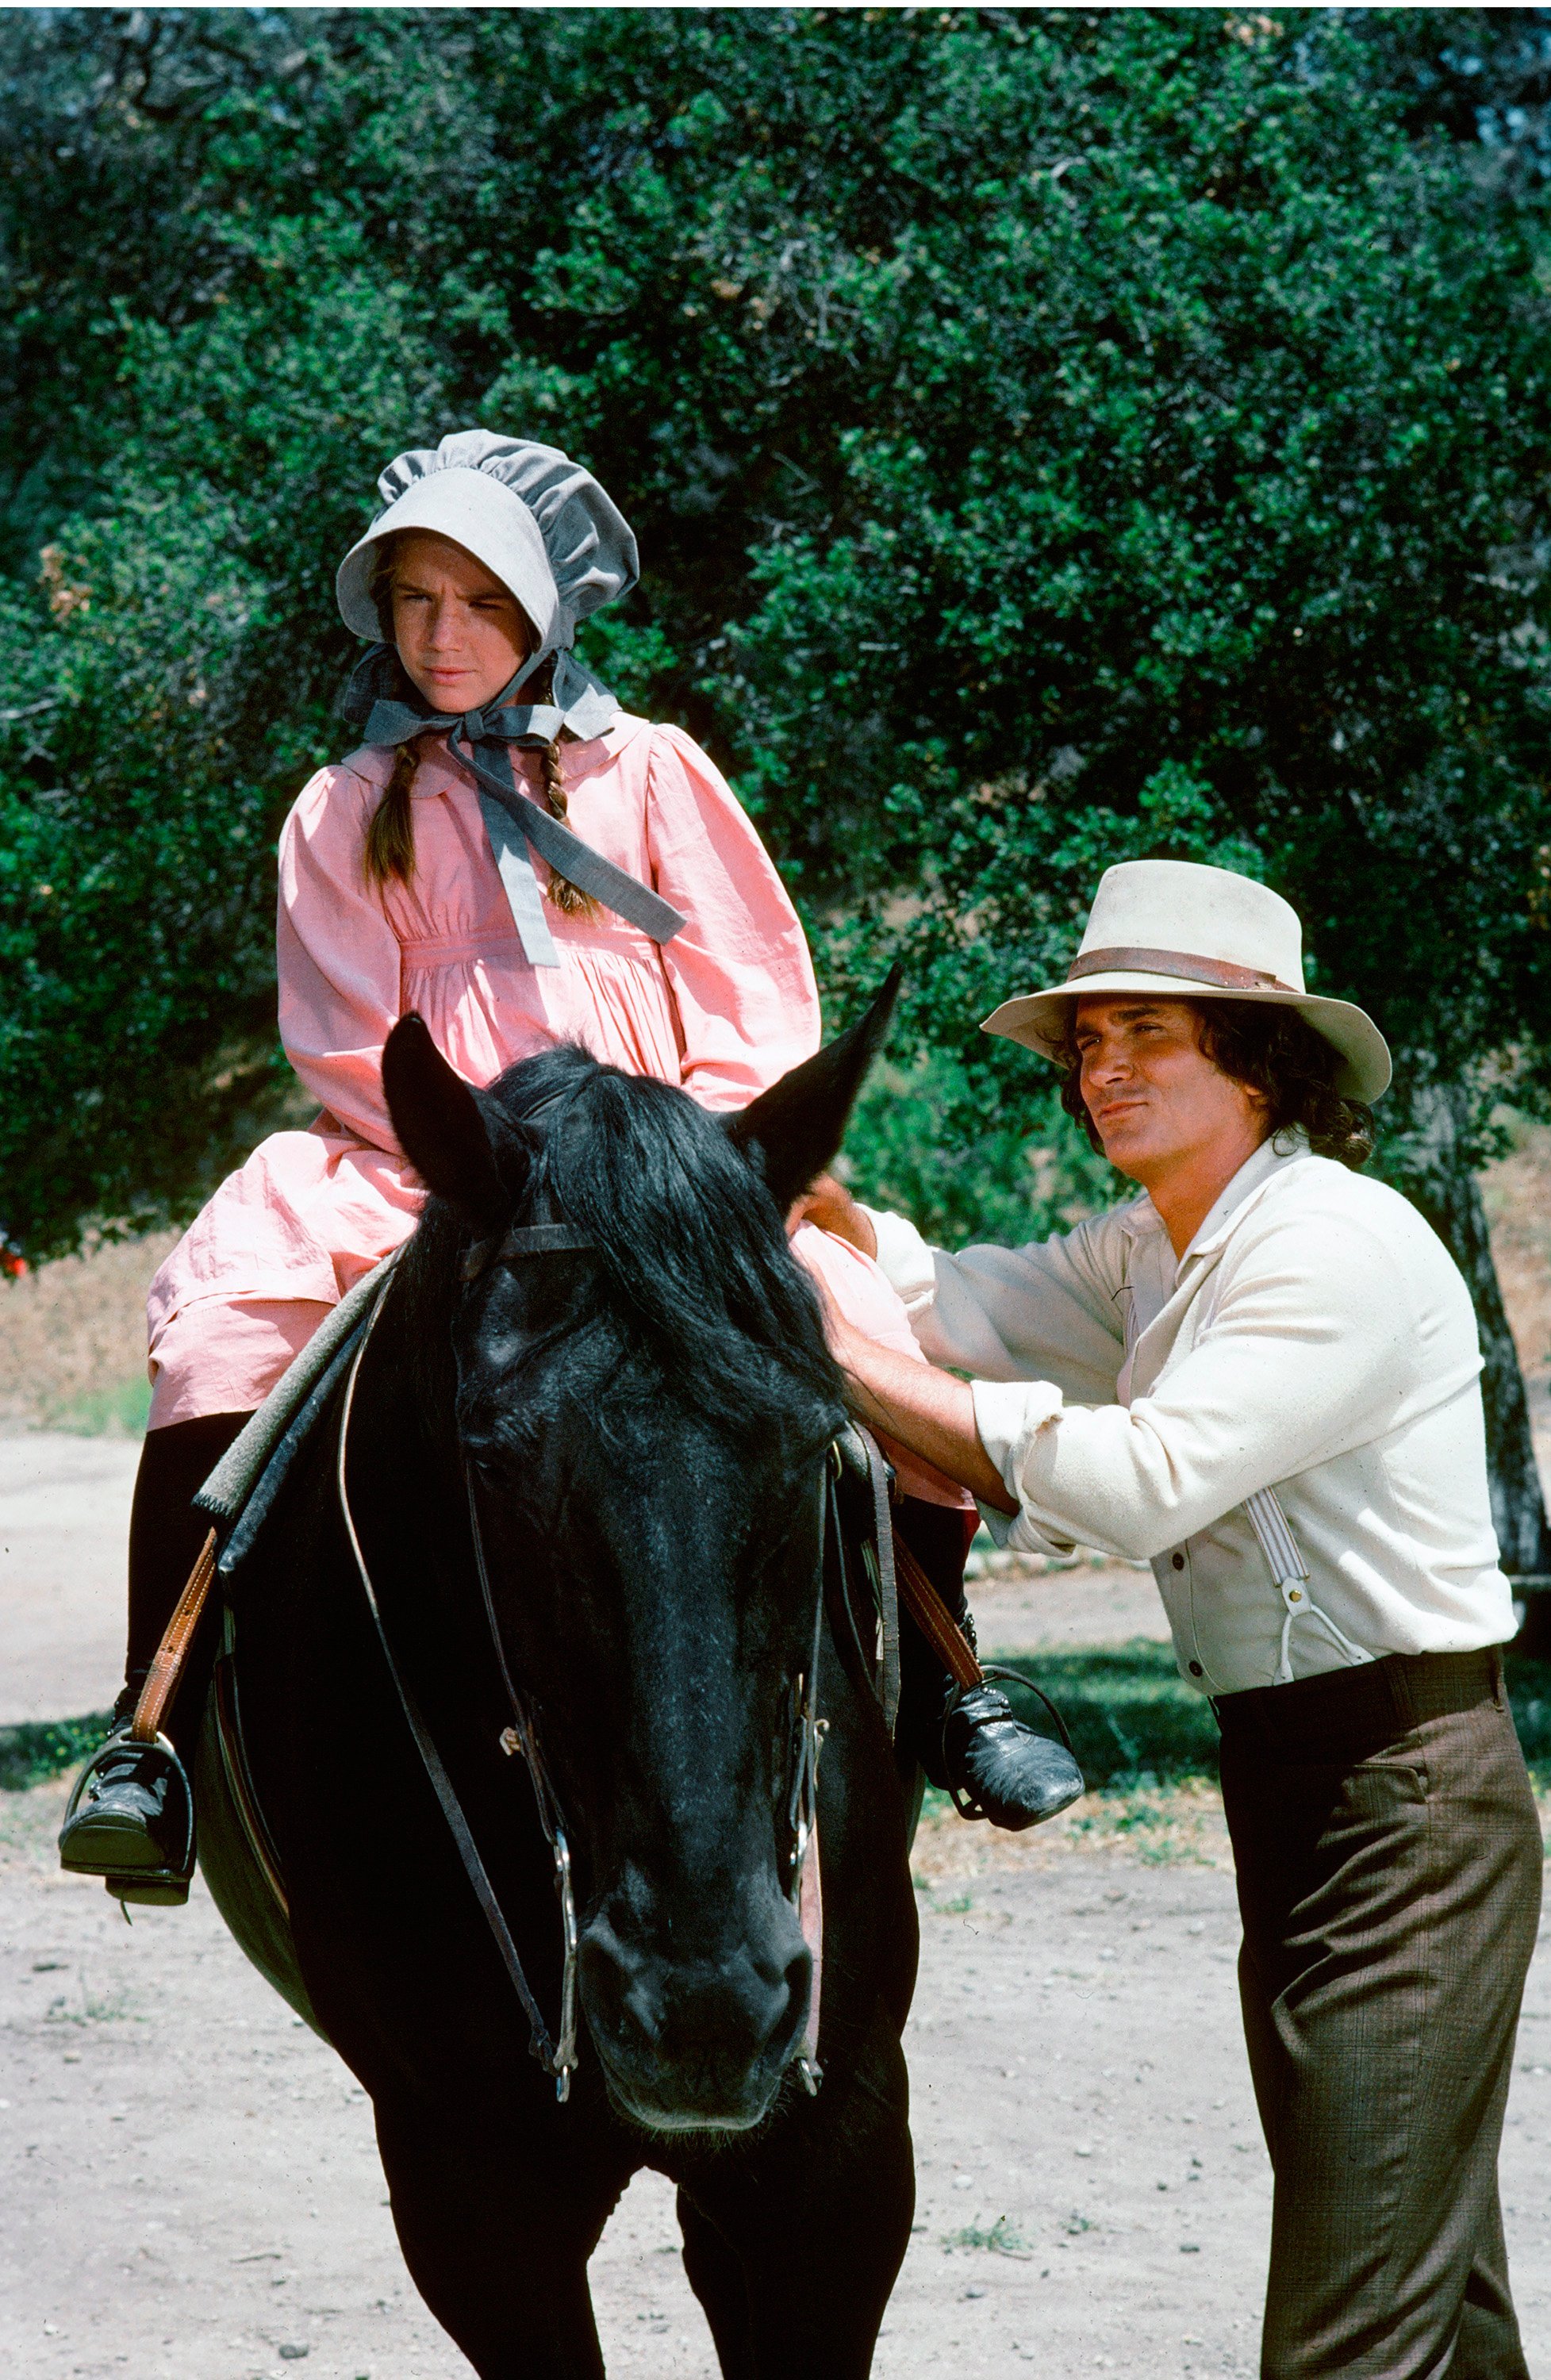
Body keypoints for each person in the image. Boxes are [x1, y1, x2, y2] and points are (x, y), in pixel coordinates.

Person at [59, 428, 1077, 1905]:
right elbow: (349, 1036)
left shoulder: (650, 770)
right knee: (222, 1337)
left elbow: (751, 991)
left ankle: (948, 1678)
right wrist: (497, 1162)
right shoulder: (343, 808)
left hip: (667, 1170)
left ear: (543, 608)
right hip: (438, 1166)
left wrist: (683, 1167)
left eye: (480, 602)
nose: (444, 635)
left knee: (853, 1317)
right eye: (415, 600)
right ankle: (153, 1730)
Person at [802, 856, 1541, 2380]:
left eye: (1148, 1031)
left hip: (1408, 1794)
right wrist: (834, 1232)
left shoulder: (1330, 1243)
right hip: (1293, 1782)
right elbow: (970, 1303)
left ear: (1258, 1060)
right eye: (1088, 1041)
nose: (1104, 1069)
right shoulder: (1151, 1247)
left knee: (1352, 2331)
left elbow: (1140, 1483)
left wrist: (842, 1360)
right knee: (1428, 2287)